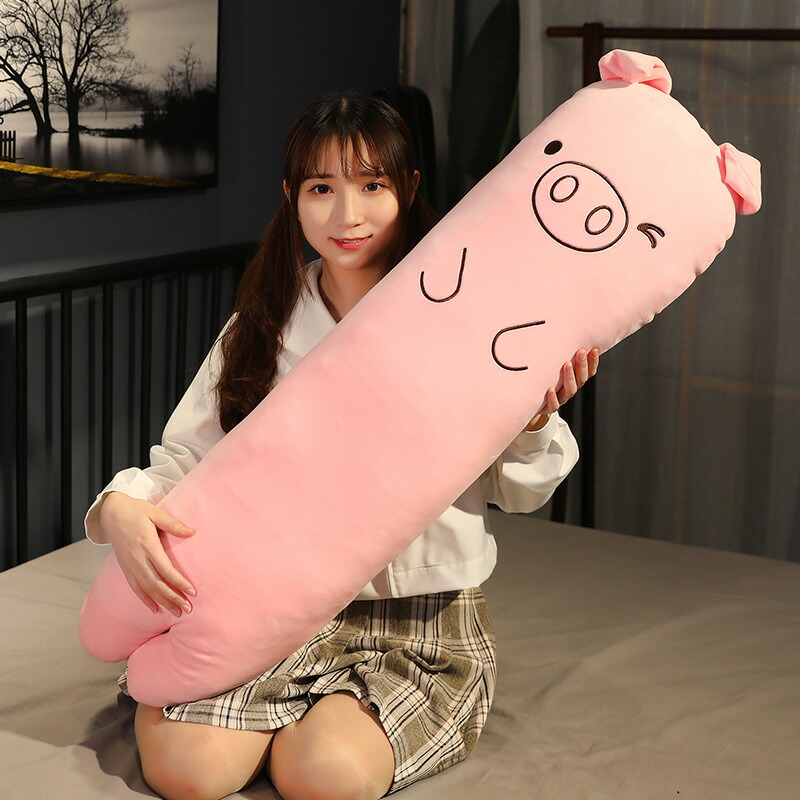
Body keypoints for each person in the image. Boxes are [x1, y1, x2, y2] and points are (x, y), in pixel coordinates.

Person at [85, 91, 599, 800]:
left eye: (372, 186)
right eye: (322, 189)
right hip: (270, 611)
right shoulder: (262, 326)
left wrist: (533, 420)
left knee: (321, 777)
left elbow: (524, 490)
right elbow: (186, 459)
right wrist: (120, 504)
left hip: (417, 622)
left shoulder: (470, 319)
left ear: (408, 190)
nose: (346, 215)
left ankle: (310, 725)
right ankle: (239, 709)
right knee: (188, 774)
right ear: (292, 199)